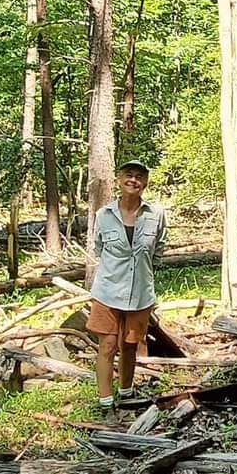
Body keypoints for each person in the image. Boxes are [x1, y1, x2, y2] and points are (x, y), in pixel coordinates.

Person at [87, 160, 167, 409]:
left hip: (140, 291)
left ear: (145, 183)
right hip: (107, 291)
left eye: (139, 177)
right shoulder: (104, 215)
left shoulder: (156, 214)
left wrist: (144, 270)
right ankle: (105, 401)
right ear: (120, 180)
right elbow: (99, 248)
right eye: (129, 175)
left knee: (130, 345)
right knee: (108, 345)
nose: (134, 180)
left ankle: (126, 392)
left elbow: (159, 249)